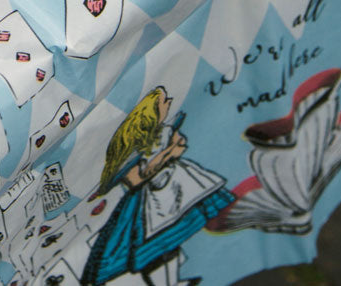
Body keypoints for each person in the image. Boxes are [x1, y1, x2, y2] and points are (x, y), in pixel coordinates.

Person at [81, 86, 233, 286]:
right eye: (163, 100)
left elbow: (179, 143)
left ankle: (171, 279)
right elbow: (136, 177)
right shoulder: (142, 145)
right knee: (156, 246)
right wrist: (165, 155)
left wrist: (170, 151)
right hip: (154, 204)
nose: (169, 101)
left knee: (168, 243)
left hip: (173, 190)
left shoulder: (165, 129)